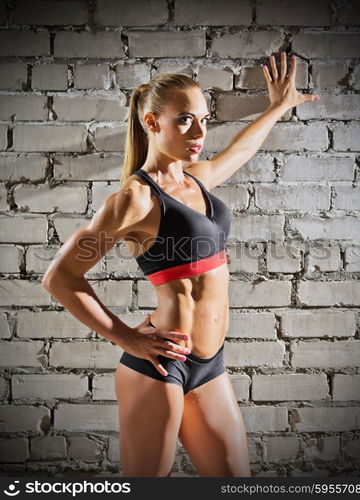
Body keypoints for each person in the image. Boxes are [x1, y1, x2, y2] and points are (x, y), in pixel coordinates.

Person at [42, 52, 319, 477]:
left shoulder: (196, 179)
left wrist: (278, 107)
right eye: (185, 119)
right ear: (152, 123)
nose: (199, 131)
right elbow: (60, 277)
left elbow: (240, 149)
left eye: (204, 120)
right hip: (160, 364)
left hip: (209, 363)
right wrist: (125, 338)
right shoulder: (135, 199)